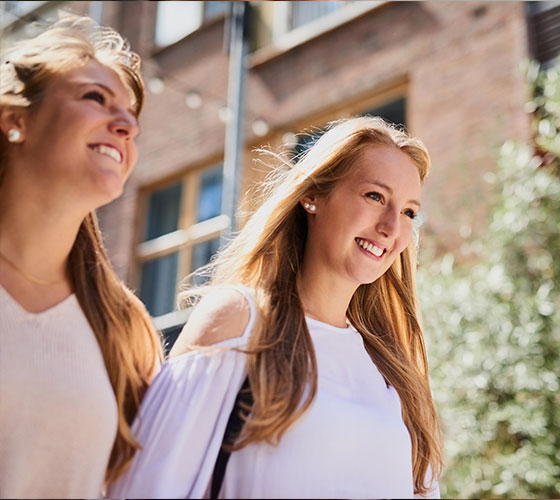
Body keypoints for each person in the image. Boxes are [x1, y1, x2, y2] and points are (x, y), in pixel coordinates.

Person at [108, 116, 443, 498]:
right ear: (312, 195)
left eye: (408, 212)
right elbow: (146, 488)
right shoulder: (240, 320)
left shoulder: (395, 371)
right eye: (375, 196)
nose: (391, 227)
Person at [0, 14, 162, 498]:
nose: (127, 125)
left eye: (132, 115)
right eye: (96, 97)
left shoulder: (124, 328)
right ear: (15, 121)